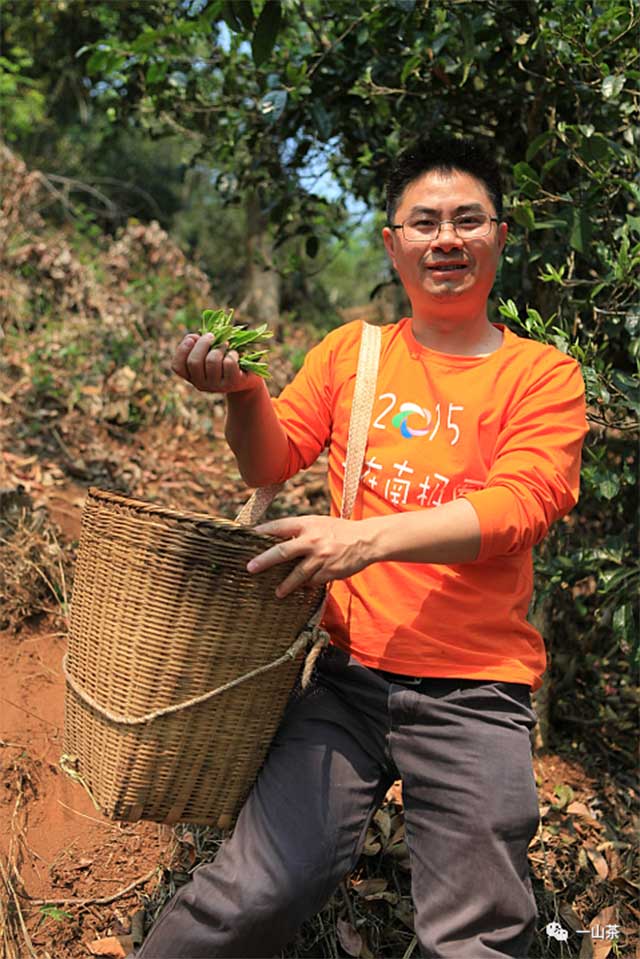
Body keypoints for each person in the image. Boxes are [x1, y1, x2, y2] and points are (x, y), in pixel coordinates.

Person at [135, 136, 588, 958]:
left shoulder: (543, 375)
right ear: (393, 242)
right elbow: (271, 459)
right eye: (424, 222)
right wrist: (242, 392)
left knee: (475, 939)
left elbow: (521, 506)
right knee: (249, 893)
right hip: (348, 682)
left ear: (500, 235)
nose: (445, 239)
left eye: (466, 220)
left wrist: (365, 540)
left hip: (476, 693)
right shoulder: (356, 354)